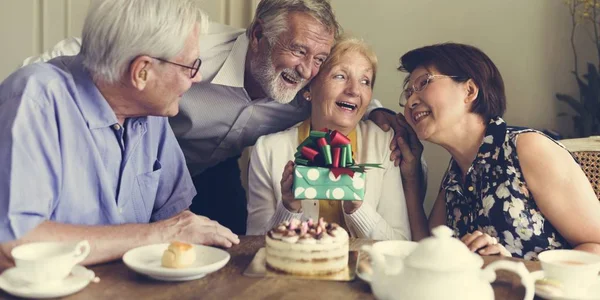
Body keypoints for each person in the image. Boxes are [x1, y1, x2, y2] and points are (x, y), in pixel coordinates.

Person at [22, 0, 406, 235]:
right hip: (148, 158)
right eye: (298, 51)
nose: (308, 70)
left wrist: (382, 113)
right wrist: (29, 96)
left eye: (319, 60)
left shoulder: (304, 86)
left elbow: (344, 92)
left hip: (211, 172)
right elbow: (88, 50)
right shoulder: (192, 51)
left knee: (226, 249)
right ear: (257, 35)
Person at [0, 0, 239, 270]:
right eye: (190, 66)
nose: (196, 78)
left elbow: (175, 220)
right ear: (142, 71)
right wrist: (157, 235)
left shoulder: (152, 111)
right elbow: (12, 244)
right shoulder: (35, 99)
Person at [394, 42, 600, 260]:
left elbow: (596, 245)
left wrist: (518, 271)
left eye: (424, 83)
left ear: (470, 90)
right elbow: (428, 251)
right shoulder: (455, 177)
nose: (411, 101)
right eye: (408, 94)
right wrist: (411, 177)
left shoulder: (527, 148)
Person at [246, 37, 425, 240]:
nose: (354, 90)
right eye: (340, 76)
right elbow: (254, 247)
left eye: (365, 81)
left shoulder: (384, 142)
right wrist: (289, 207)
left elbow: (399, 245)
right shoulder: (267, 150)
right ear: (309, 88)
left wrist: (357, 207)